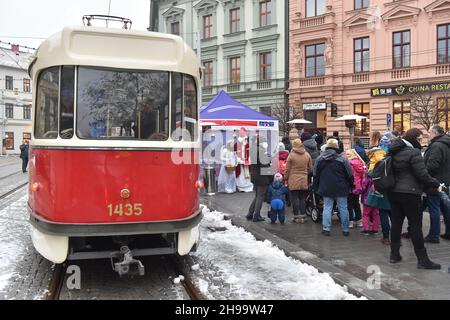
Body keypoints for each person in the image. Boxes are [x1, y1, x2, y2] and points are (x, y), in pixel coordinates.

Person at [388, 128, 441, 269]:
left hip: (394, 192)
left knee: (396, 224)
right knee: (416, 226)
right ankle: (423, 260)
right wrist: (435, 183)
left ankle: (394, 255)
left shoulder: (393, 150)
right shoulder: (413, 153)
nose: (420, 142)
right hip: (410, 194)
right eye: (419, 139)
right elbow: (422, 174)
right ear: (413, 139)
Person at [313, 139, 353, 236]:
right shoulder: (342, 159)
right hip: (341, 187)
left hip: (326, 187)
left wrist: (316, 186)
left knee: (327, 208)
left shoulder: (320, 159)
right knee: (343, 208)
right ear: (336, 147)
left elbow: (315, 174)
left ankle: (326, 229)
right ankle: (345, 229)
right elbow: (350, 174)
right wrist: (350, 185)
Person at [423, 125, 450, 242]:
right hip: (445, 181)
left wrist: (423, 173)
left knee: (434, 207)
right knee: (445, 208)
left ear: (434, 133)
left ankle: (434, 235)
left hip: (435, 181)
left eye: (429, 132)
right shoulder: (446, 144)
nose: (428, 135)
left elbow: (432, 166)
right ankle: (448, 233)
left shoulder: (436, 146)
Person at [286, 139, 312, 224]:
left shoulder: (291, 155)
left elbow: (287, 169)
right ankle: (303, 216)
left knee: (295, 198)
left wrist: (286, 177)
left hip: (293, 178)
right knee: (302, 198)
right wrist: (305, 174)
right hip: (303, 178)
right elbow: (310, 168)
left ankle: (296, 217)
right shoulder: (307, 155)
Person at [247, 136, 272, 222]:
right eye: (265, 142)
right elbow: (264, 165)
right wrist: (269, 160)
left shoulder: (253, 150)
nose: (266, 144)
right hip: (261, 177)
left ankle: (250, 213)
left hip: (255, 175)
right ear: (261, 143)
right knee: (260, 197)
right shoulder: (260, 151)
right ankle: (256, 216)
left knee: (257, 196)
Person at [344, 150, 365, 229]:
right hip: (357, 186)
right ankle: (359, 221)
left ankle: (351, 222)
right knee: (356, 203)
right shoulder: (359, 163)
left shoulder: (347, 163)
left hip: (349, 186)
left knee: (349, 205)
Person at [235, 128, 253, 192]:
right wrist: (239, 160)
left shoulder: (248, 145)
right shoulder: (236, 145)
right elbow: (235, 154)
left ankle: (248, 187)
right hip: (240, 164)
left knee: (247, 176)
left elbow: (250, 153)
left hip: (246, 163)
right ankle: (241, 187)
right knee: (241, 176)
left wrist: (249, 160)